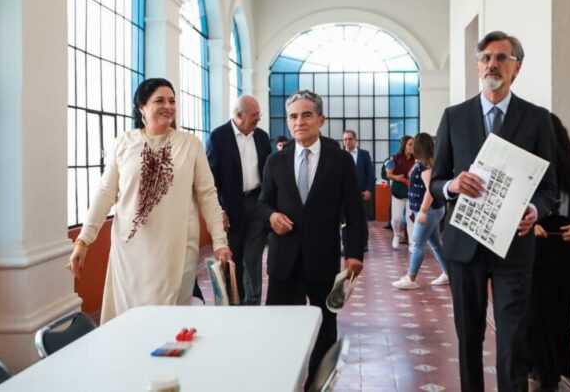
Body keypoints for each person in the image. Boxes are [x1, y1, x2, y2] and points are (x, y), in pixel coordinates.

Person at [430, 31, 557, 391]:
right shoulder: (454, 117)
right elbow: (436, 182)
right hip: (464, 245)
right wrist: (453, 186)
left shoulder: (537, 119)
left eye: (502, 57)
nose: (492, 64)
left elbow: (550, 189)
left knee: (513, 338)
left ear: (517, 67)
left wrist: (534, 210)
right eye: (485, 57)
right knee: (468, 336)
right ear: (477, 67)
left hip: (513, 247)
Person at [68, 78, 232, 323]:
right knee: (130, 320)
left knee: (169, 321)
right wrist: (84, 240)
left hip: (176, 251)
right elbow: (105, 193)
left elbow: (208, 195)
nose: (168, 106)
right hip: (131, 252)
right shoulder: (124, 143)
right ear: (141, 107)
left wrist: (220, 242)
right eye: (160, 100)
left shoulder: (189, 144)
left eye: (172, 101)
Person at [259, 90, 366, 387]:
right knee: (279, 326)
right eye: (293, 116)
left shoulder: (340, 160)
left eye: (307, 115)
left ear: (321, 119)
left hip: (323, 258)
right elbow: (263, 202)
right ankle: (282, 382)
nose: (299, 122)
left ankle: (315, 385)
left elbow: (355, 210)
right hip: (283, 261)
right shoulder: (274, 161)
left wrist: (354, 253)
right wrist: (271, 216)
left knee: (325, 327)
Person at [526, 113, 570, 391]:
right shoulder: (529, 165)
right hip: (534, 244)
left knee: (560, 308)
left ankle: (553, 369)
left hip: (564, 244)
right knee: (535, 308)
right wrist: (531, 225)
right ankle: (538, 367)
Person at [206, 95, 272, 305]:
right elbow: (210, 179)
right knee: (232, 259)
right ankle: (233, 303)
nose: (258, 119)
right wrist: (220, 211)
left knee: (253, 258)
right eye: (255, 115)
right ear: (239, 115)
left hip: (257, 203)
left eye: (259, 114)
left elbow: (269, 173)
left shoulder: (262, 137)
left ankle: (252, 304)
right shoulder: (218, 137)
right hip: (231, 207)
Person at [392, 132, 448, 289]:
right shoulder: (424, 163)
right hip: (429, 210)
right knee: (436, 244)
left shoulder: (425, 166)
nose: (410, 147)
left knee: (417, 244)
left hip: (428, 211)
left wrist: (423, 211)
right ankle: (448, 273)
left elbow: (431, 189)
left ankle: (411, 278)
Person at [342, 129, 375, 251]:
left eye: (350, 139)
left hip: (361, 193)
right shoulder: (340, 155)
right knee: (345, 221)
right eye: (345, 139)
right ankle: (346, 245)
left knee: (361, 219)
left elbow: (370, 174)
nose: (347, 142)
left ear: (355, 140)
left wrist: (369, 190)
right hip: (344, 194)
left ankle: (363, 243)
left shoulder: (364, 154)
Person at [386, 135, 415, 248]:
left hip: (412, 191)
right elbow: (388, 174)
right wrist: (398, 178)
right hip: (398, 191)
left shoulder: (417, 158)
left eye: (414, 144)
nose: (412, 147)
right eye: (410, 144)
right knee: (396, 218)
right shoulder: (394, 158)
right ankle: (396, 235)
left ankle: (412, 242)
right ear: (404, 145)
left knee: (410, 218)